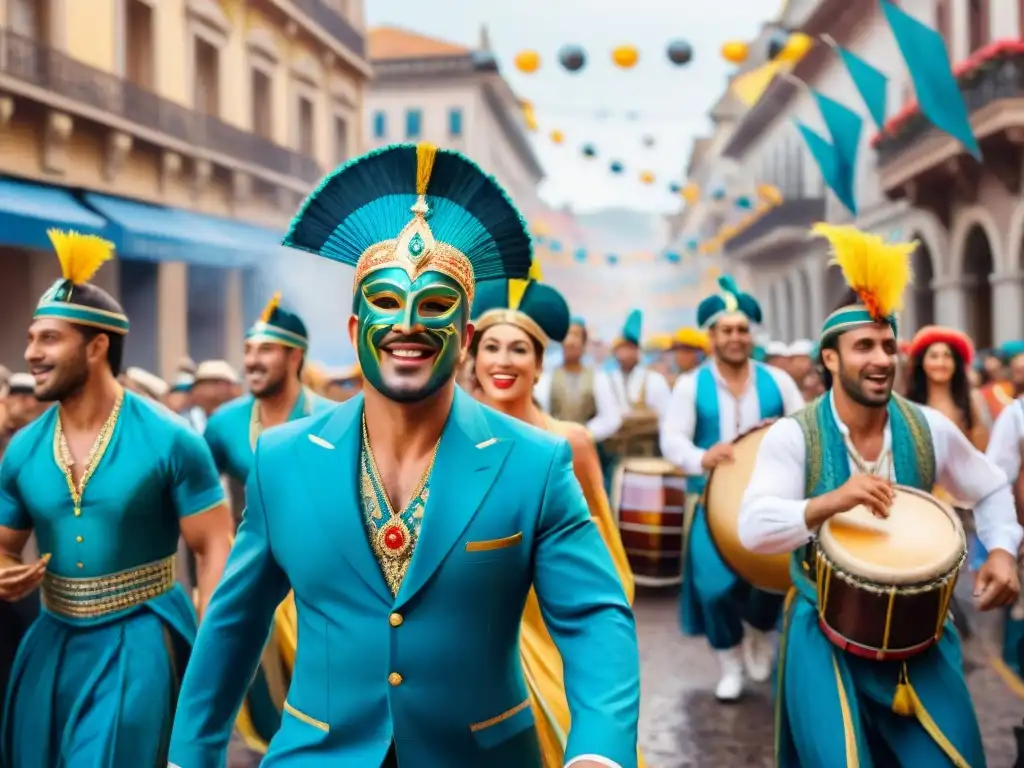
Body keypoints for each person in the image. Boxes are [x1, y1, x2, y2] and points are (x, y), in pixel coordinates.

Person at [168, 143, 641, 768]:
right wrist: (187, 755)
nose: (409, 324)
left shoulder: (536, 461)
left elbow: (594, 617)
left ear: (465, 338)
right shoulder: (282, 458)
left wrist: (600, 752)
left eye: (437, 306)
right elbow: (236, 620)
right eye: (387, 303)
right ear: (352, 329)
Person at [738, 224, 1022, 766]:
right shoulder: (793, 435)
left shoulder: (928, 427)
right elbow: (754, 527)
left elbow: (989, 487)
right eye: (863, 345)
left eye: (889, 345)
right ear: (830, 359)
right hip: (823, 630)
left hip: (922, 634)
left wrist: (1004, 550)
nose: (881, 358)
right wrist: (830, 501)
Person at [0, 230, 234, 767]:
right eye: (32, 338)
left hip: (142, 634)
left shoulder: (172, 438)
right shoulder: (22, 451)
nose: (31, 353)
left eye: (49, 339)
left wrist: (214, 646)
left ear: (97, 346)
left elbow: (213, 547)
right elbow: (4, 545)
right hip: (51, 641)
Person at [468, 265, 645, 767]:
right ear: (472, 357)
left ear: (539, 364)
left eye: (519, 348)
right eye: (492, 347)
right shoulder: (447, 442)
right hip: (480, 621)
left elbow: (604, 551)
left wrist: (596, 635)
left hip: (551, 621)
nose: (504, 360)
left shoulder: (571, 442)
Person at [660, 274, 805, 702]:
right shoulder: (691, 385)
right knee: (714, 586)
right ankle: (730, 661)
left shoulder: (779, 382)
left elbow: (805, 427)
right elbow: (672, 439)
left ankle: (760, 629)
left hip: (773, 498)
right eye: (727, 330)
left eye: (742, 329)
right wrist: (700, 457)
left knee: (770, 579)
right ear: (712, 337)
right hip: (711, 501)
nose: (736, 337)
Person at [202, 291, 333, 753]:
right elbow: (193, 501)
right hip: (252, 578)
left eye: (266, 350)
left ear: (295, 355)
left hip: (318, 583)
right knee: (257, 711)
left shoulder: (332, 420)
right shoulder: (222, 424)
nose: (252, 361)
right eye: (248, 350)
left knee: (323, 704)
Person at [534, 316, 622, 442]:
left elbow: (611, 418)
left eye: (576, 335)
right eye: (567, 336)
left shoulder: (598, 378)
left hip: (588, 445)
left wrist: (585, 433)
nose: (570, 341)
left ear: (584, 343)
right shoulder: (546, 379)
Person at [905, 325, 988, 450]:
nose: (941, 363)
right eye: (933, 356)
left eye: (947, 356)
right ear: (922, 362)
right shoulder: (908, 405)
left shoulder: (972, 401)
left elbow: (981, 451)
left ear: (956, 363)